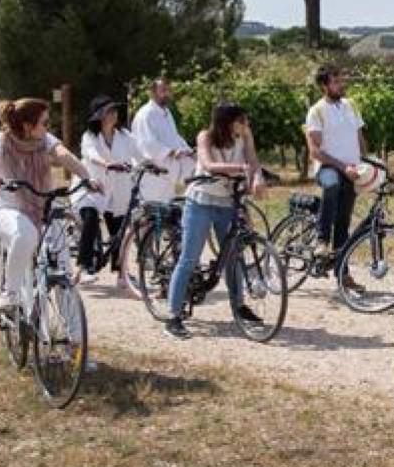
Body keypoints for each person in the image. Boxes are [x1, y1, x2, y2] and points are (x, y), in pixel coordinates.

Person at [0, 98, 96, 317]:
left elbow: (63, 155)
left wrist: (86, 176)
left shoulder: (44, 139)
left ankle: (75, 341)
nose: (48, 127)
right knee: (26, 235)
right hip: (8, 210)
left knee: (64, 271)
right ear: (27, 126)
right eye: (44, 122)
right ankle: (10, 295)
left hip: (43, 209)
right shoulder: (1, 141)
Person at [163, 102, 268, 340]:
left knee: (233, 257)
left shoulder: (244, 136)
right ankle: (173, 315)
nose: (245, 125)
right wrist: (240, 168)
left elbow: (253, 161)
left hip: (227, 202)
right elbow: (209, 165)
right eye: (241, 121)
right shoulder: (206, 136)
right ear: (227, 121)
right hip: (201, 202)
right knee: (189, 258)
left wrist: (258, 176)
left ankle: (239, 306)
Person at [304, 65, 367, 288]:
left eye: (341, 80)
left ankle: (343, 274)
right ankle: (321, 239)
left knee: (343, 223)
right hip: (329, 168)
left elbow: (359, 137)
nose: (341, 84)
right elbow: (315, 151)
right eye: (336, 81)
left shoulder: (351, 106)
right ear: (324, 86)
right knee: (331, 184)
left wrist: (368, 162)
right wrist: (342, 166)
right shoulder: (316, 111)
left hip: (351, 169)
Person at [73, 95, 139, 284]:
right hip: (93, 186)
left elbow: (140, 153)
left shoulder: (125, 136)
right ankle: (85, 266)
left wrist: (151, 164)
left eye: (115, 111)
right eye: (109, 112)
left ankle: (121, 272)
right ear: (99, 116)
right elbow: (91, 155)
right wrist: (107, 163)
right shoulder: (89, 136)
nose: (113, 115)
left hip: (117, 188)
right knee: (91, 218)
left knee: (119, 229)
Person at [131, 79, 194, 203]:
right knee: (152, 212)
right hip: (153, 174)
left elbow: (174, 137)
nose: (167, 94)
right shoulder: (145, 114)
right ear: (153, 93)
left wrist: (189, 151)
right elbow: (147, 144)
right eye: (163, 90)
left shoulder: (167, 112)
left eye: (168, 90)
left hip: (167, 172)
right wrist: (171, 152)